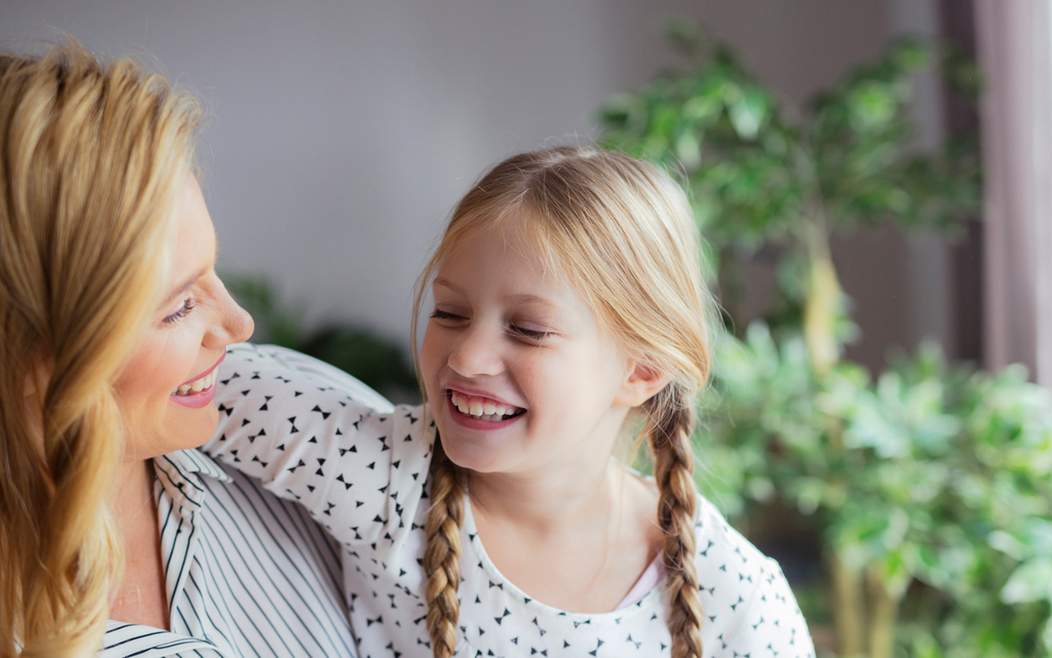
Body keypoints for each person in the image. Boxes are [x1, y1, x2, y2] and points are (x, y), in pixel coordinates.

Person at [205, 146, 816, 657]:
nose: (467, 358)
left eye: (528, 329)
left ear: (644, 368)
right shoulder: (382, 476)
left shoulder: (739, 598)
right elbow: (176, 370)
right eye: (449, 312)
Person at [0, 44, 358, 657]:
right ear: (9, 355)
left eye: (214, 272)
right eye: (176, 306)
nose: (239, 324)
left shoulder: (303, 427)